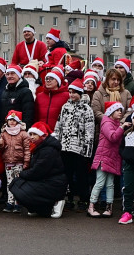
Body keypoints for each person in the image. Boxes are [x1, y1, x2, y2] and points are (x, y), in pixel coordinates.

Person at [53, 79, 95, 211]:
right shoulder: (65, 107)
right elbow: (59, 125)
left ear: (80, 93)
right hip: (65, 147)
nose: (71, 95)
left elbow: (89, 131)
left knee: (81, 175)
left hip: (79, 149)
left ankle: (83, 199)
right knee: (67, 174)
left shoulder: (87, 109)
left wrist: (87, 151)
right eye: (70, 92)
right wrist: (57, 142)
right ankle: (68, 198)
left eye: (74, 93)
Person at [9, 122, 67, 218]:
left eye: (34, 134)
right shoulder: (40, 147)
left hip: (54, 183)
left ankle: (57, 202)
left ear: (42, 135)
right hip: (46, 180)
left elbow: (37, 171)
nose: (31, 137)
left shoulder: (48, 150)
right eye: (30, 134)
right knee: (16, 184)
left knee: (18, 186)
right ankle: (39, 209)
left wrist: (22, 174)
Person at [90, 102, 125, 217]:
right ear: (111, 112)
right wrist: (122, 128)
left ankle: (109, 207)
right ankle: (91, 206)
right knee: (100, 183)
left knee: (110, 184)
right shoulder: (106, 123)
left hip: (112, 157)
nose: (120, 112)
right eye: (117, 110)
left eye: (121, 110)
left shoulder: (116, 123)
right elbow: (112, 137)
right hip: (103, 157)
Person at [0, 110, 30, 213]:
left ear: (18, 122)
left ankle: (18, 203)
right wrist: (0, 143)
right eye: (10, 120)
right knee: (9, 183)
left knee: (18, 182)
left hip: (19, 162)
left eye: (14, 120)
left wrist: (26, 162)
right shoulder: (4, 133)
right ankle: (10, 202)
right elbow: (1, 149)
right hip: (8, 162)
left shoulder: (23, 133)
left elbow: (27, 149)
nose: (12, 122)